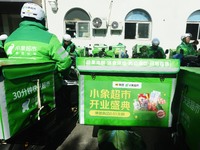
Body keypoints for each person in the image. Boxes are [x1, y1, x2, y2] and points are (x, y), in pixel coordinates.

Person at [4, 2, 72, 120]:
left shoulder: (10, 39)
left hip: (16, 87)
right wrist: (60, 73)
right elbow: (66, 62)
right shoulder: (50, 38)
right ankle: (61, 119)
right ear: (41, 20)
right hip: (45, 85)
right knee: (63, 91)